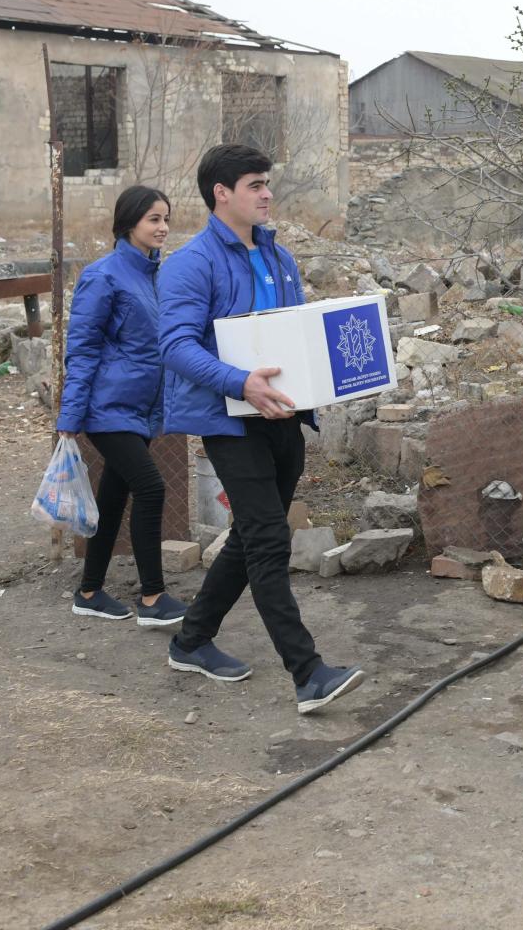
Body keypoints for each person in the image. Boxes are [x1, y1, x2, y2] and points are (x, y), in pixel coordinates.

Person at [157, 143, 365, 714]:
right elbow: (174, 347)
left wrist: (339, 376)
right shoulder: (190, 264)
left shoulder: (280, 257)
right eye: (255, 184)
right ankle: (308, 673)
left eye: (267, 183)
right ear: (221, 193)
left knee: (252, 534)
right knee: (270, 539)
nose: (267, 193)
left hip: (284, 418)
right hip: (229, 422)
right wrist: (240, 382)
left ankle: (191, 640)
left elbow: (294, 337)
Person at [58, 185, 188, 628]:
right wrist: (70, 418)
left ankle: (89, 591)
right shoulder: (103, 276)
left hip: (139, 410)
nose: (163, 227)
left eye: (166, 218)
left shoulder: (156, 276)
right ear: (129, 222)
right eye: (153, 219)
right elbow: (82, 349)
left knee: (113, 496)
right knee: (150, 488)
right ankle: (152, 597)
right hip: (106, 407)